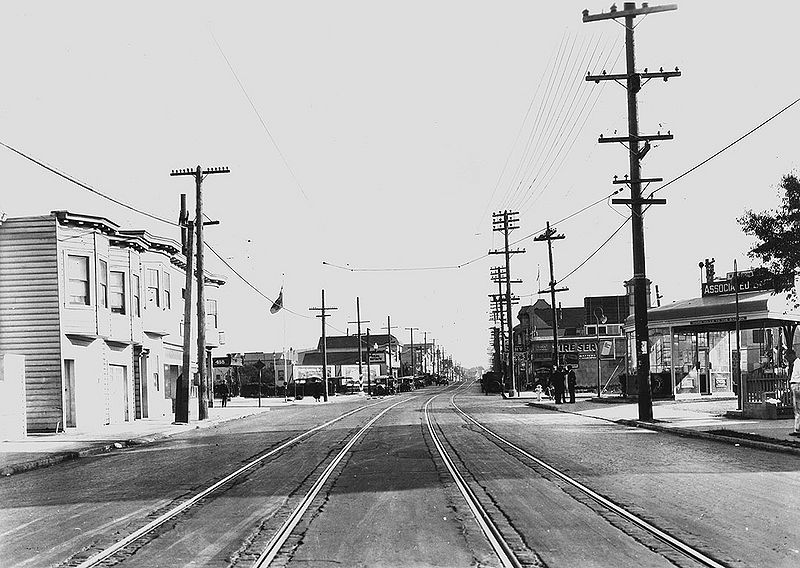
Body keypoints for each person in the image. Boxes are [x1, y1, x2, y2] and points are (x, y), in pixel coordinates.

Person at [787, 349, 800, 437]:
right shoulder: (795, 363)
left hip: (797, 385)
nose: (787, 359)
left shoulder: (798, 363)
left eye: (787, 357)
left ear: (792, 355)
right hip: (795, 385)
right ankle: (797, 429)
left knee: (798, 408)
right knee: (796, 409)